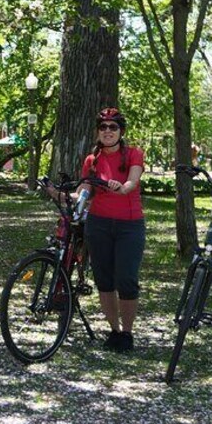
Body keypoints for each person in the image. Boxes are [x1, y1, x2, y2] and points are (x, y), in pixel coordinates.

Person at [77, 107, 146, 353]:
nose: (108, 131)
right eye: (103, 127)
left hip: (129, 225)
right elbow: (85, 189)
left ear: (121, 131)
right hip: (99, 224)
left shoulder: (133, 154)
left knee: (126, 279)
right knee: (104, 280)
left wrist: (122, 186)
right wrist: (69, 195)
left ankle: (127, 332)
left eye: (113, 127)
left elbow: (132, 182)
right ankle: (114, 330)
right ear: (97, 132)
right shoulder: (92, 160)